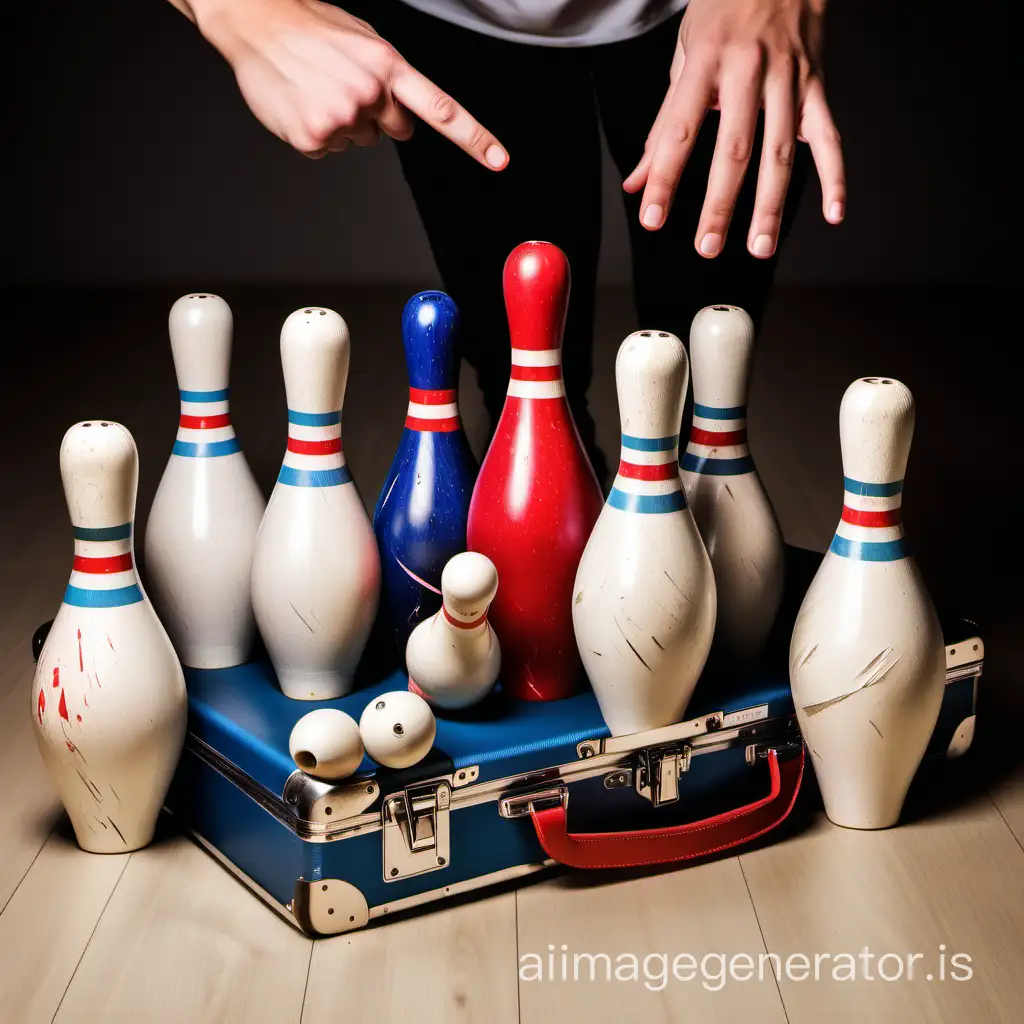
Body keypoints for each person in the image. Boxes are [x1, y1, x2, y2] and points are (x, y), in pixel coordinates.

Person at [167, 0, 845, 482]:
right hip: (453, 18)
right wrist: (234, 7)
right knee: (529, 395)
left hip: (713, 16)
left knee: (709, 374)